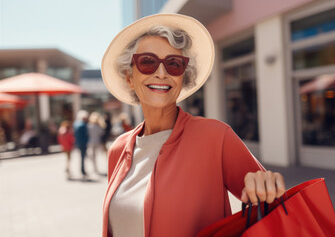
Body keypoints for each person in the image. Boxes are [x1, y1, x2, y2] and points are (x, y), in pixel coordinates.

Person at [101, 13, 286, 237]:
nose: (161, 73)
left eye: (174, 64)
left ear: (183, 77)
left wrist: (267, 185)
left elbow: (273, 211)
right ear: (129, 76)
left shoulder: (216, 137)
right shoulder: (118, 150)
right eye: (148, 62)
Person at [73, 110, 89, 178]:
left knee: (81, 157)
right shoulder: (83, 125)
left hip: (78, 142)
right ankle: (83, 170)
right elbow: (86, 135)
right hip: (83, 143)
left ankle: (82, 170)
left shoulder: (76, 123)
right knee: (83, 157)